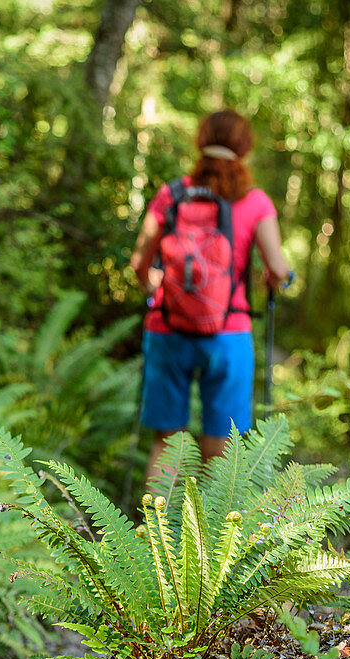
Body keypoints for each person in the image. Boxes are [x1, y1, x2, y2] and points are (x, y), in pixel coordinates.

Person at [129, 110, 292, 479]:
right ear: (245, 149)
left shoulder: (171, 194)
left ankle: (155, 535)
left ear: (200, 142)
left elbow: (140, 261)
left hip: (168, 327)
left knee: (167, 444)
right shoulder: (255, 203)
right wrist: (277, 278)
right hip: (229, 334)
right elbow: (279, 269)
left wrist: (151, 284)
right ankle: (213, 537)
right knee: (221, 450)